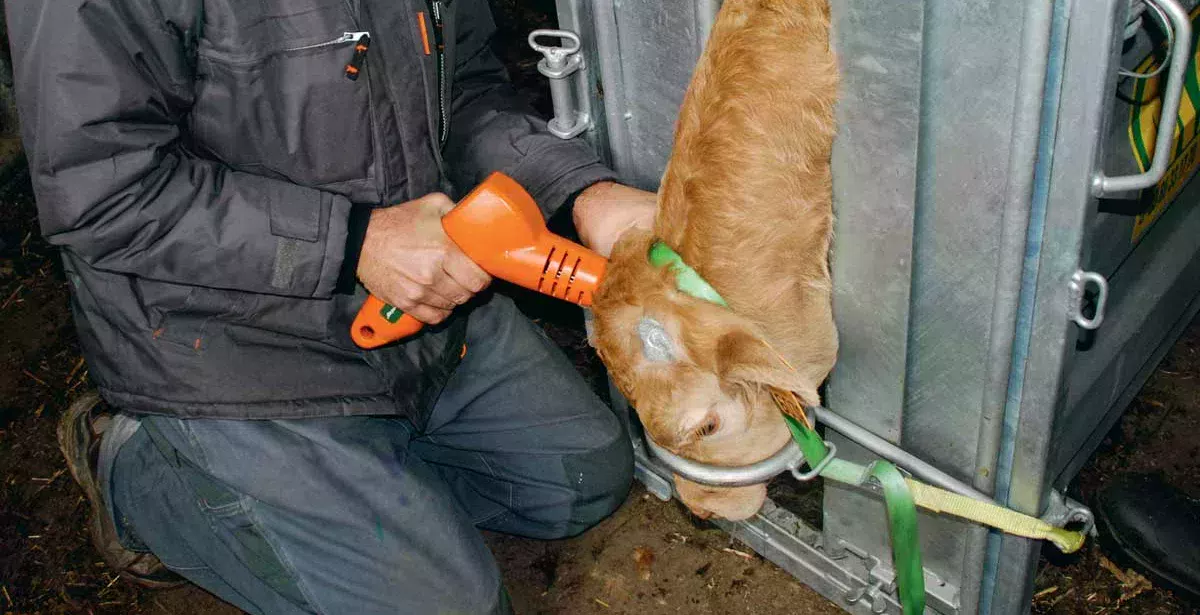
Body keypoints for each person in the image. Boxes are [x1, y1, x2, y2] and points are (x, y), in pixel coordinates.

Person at [7, 1, 657, 613]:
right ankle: (141, 467)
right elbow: (100, 191)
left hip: (408, 309)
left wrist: (582, 193)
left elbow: (466, 91)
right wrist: (354, 241)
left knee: (585, 477)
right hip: (227, 341)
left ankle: (359, 499)